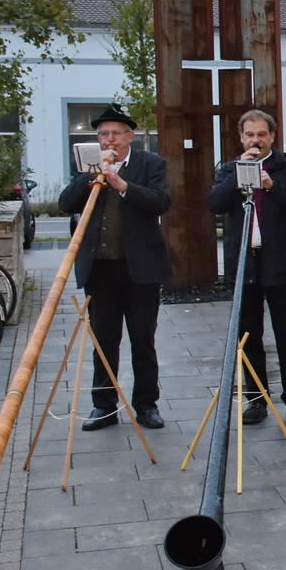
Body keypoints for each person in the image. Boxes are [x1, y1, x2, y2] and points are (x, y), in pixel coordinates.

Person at [58, 103, 171, 431]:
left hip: (141, 268)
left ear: (130, 137)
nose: (110, 140)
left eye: (116, 134)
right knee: (104, 341)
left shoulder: (151, 163)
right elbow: (66, 204)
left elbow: (161, 201)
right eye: (103, 134)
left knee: (143, 339)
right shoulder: (89, 165)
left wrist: (122, 186)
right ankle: (104, 406)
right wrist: (90, 177)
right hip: (100, 269)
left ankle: (146, 405)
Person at [206, 109, 286, 423]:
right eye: (250, 135)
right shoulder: (228, 170)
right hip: (244, 263)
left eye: (261, 134)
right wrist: (242, 172)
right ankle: (255, 398)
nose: (256, 140)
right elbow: (214, 204)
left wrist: (270, 185)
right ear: (241, 138)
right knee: (248, 335)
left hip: (280, 262)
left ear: (272, 137)